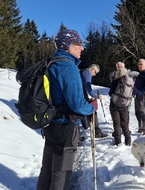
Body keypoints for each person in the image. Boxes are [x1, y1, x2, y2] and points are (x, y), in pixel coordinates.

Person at [37, 29, 95, 190]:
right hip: (65, 126)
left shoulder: (52, 63)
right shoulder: (67, 67)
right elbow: (77, 104)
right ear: (67, 45)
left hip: (50, 124)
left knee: (47, 168)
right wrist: (91, 108)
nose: (81, 48)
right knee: (62, 171)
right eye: (78, 44)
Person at [80, 64, 108, 138]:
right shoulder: (87, 73)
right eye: (95, 72)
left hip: (81, 95)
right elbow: (88, 88)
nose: (95, 75)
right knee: (92, 110)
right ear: (92, 69)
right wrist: (96, 96)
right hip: (81, 97)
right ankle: (97, 132)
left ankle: (95, 131)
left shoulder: (83, 72)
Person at [108, 67, 132, 146]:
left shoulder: (116, 81)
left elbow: (110, 93)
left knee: (117, 123)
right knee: (124, 123)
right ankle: (128, 139)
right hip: (125, 105)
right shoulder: (130, 81)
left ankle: (118, 141)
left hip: (114, 105)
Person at [132, 58, 145, 135]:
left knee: (142, 112)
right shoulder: (141, 73)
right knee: (137, 112)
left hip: (143, 95)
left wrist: (140, 92)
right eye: (138, 64)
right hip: (137, 95)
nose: (139, 66)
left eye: (141, 64)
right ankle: (141, 128)